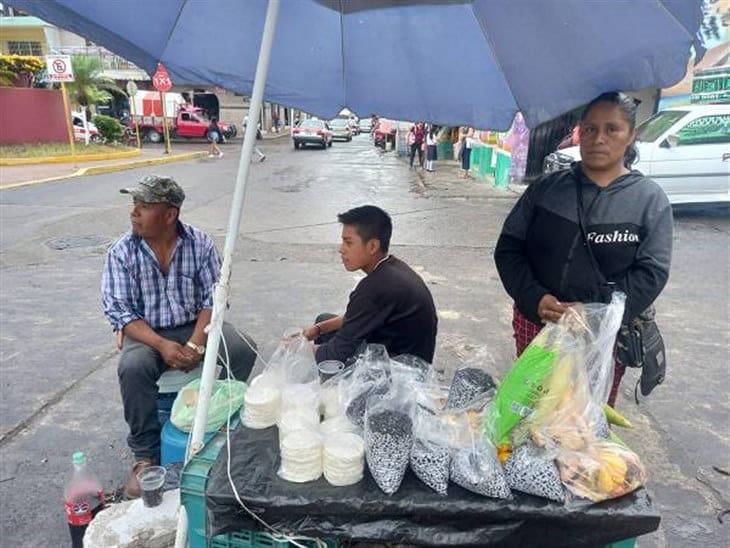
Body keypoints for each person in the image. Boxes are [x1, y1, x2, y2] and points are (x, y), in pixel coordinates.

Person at [494, 92, 673, 407]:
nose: (598, 139)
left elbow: (651, 273)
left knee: (582, 425)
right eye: (589, 129)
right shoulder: (547, 189)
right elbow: (508, 248)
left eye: (611, 129)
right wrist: (534, 297)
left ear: (631, 135)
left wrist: (593, 313)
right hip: (538, 323)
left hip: (600, 337)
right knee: (529, 413)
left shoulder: (648, 201)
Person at [101, 175, 257, 497]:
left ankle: (217, 423)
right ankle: (146, 454)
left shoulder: (199, 244)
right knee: (133, 368)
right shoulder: (122, 252)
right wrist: (161, 344)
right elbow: (120, 311)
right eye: (134, 206)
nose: (134, 213)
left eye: (143, 207)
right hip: (146, 332)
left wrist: (195, 343)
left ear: (170, 214)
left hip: (193, 325)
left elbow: (213, 298)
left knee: (242, 348)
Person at [303, 205, 438, 364]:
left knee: (326, 356)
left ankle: (328, 385)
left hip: (398, 374)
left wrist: (298, 348)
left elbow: (336, 353)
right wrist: (319, 328)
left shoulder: (373, 288)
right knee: (324, 321)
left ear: (372, 246)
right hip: (411, 357)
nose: (341, 249)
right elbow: (355, 318)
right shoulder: (392, 268)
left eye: (348, 243)